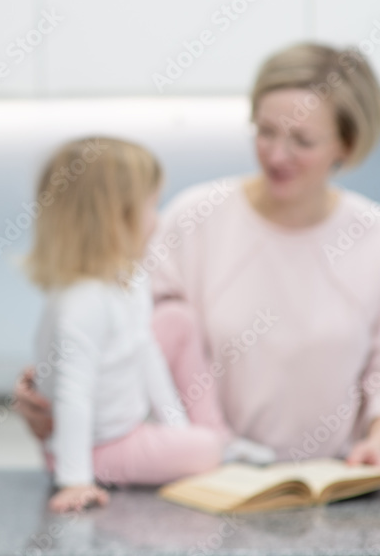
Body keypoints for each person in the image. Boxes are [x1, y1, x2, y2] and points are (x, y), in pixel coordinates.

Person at [16, 43, 380, 473]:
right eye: (265, 131)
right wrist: (48, 379)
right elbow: (122, 336)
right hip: (209, 487)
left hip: (331, 480)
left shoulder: (377, 237)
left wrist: (379, 440)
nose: (277, 154)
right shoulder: (194, 218)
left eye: (301, 140)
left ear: (348, 144)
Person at [26, 137, 272, 514]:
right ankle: (214, 447)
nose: (157, 221)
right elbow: (74, 394)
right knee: (203, 450)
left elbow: (146, 353)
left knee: (177, 321)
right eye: (150, 207)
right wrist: (75, 480)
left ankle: (217, 439)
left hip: (124, 431)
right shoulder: (82, 303)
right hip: (97, 449)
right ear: (114, 219)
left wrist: (178, 432)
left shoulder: (130, 279)